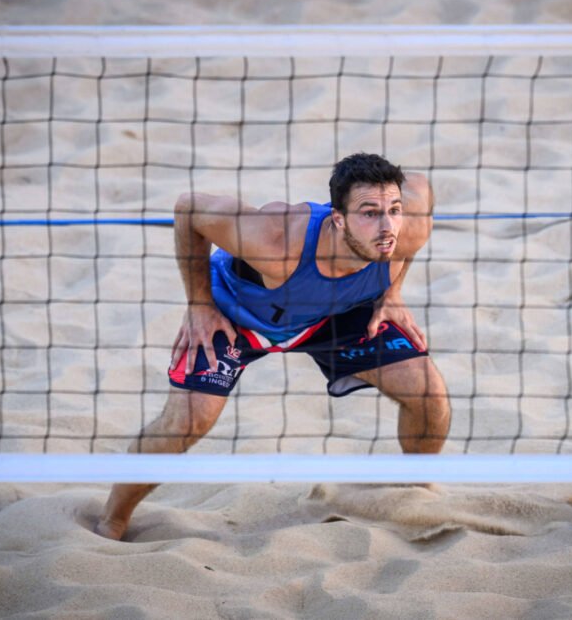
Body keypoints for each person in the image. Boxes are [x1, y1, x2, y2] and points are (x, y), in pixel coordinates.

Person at [95, 153, 451, 540]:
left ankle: (418, 491)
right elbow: (189, 208)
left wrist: (393, 293)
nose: (387, 226)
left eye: (394, 210)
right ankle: (113, 520)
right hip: (239, 314)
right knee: (187, 422)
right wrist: (199, 305)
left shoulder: (405, 229)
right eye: (369, 213)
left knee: (429, 395)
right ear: (338, 218)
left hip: (333, 315)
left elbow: (419, 184)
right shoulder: (277, 241)